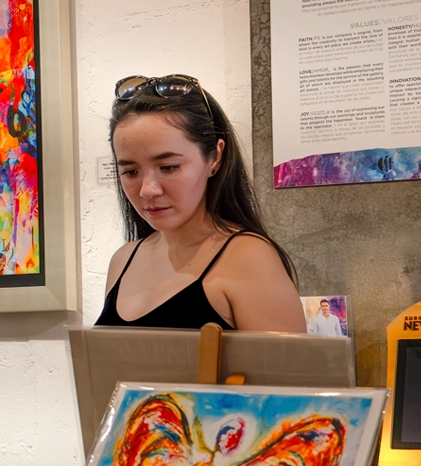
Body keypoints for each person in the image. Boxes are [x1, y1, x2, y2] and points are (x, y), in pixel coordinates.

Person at [96, 74, 306, 332]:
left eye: (169, 167)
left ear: (215, 156)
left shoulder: (248, 258)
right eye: (130, 172)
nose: (148, 190)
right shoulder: (124, 259)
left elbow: (288, 371)